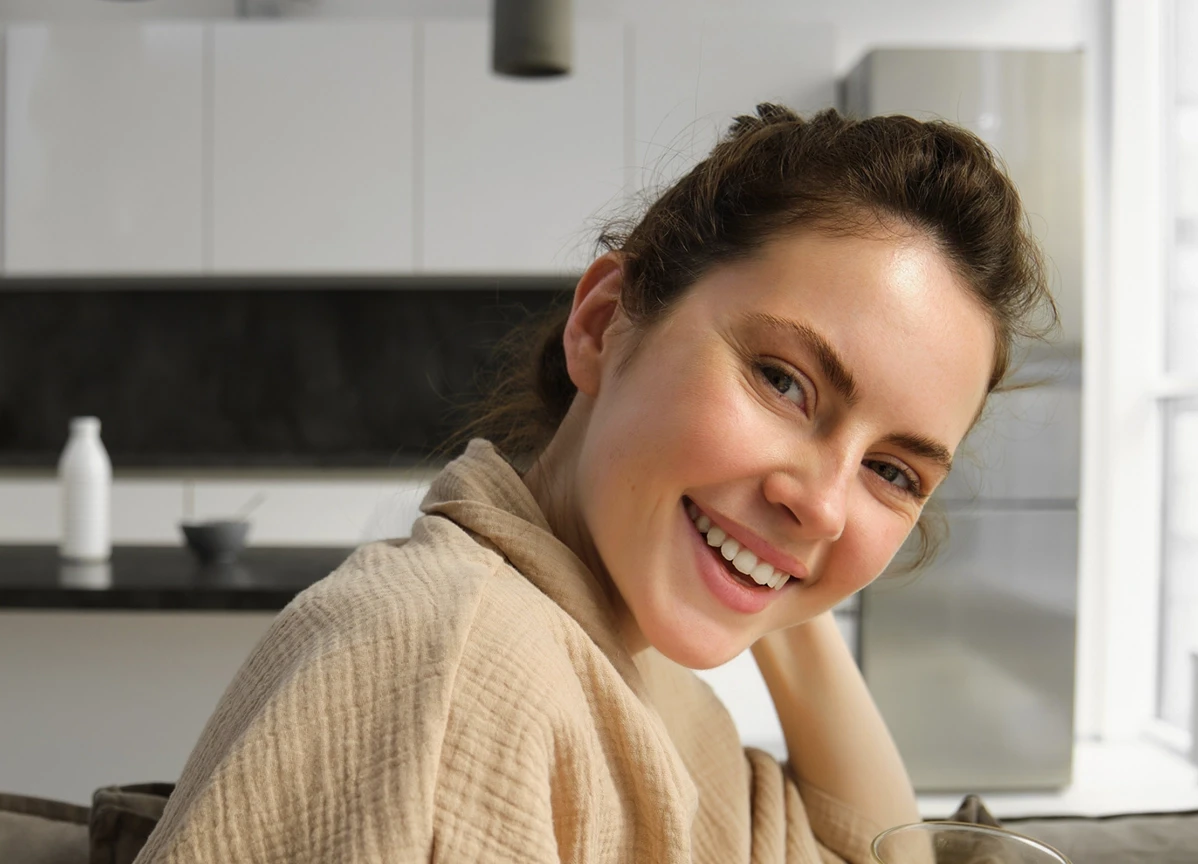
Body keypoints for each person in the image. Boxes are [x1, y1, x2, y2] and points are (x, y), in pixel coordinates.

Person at [134, 103, 1054, 864]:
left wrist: (775, 558)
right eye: (783, 381)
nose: (821, 501)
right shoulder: (458, 677)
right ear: (605, 321)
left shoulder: (623, 646)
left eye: (891, 471)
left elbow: (878, 854)